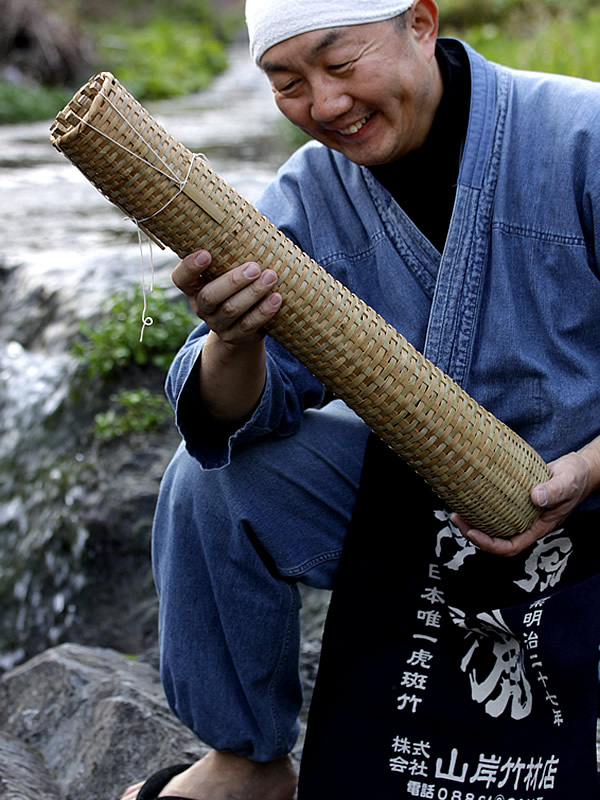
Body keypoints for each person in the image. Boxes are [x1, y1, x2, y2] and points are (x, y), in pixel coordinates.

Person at [121, 1, 600, 798]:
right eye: (287, 82)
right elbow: (247, 410)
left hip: (586, 488)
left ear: (420, 24)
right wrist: (231, 344)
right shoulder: (309, 196)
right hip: (424, 502)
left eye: (340, 65)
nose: (325, 104)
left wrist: (585, 467)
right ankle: (248, 760)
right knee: (213, 481)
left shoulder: (581, 136)